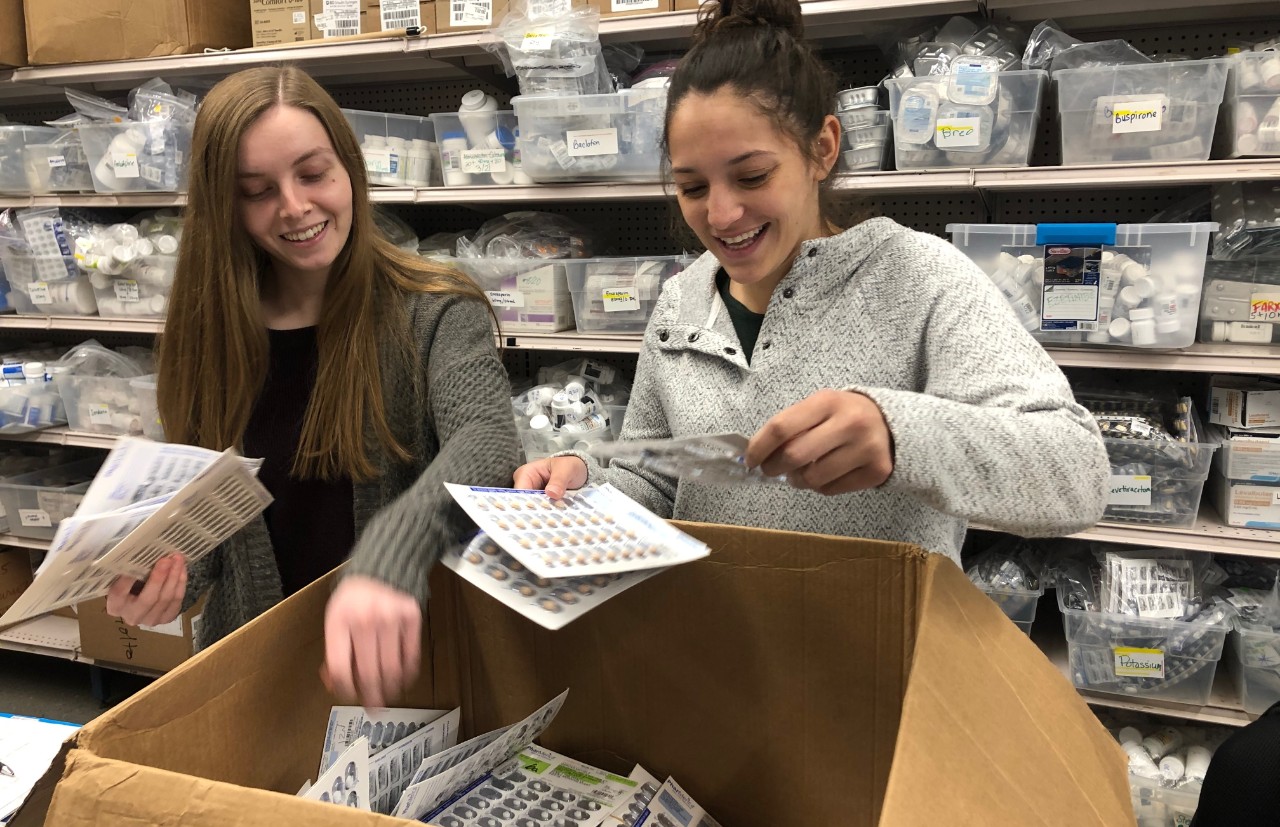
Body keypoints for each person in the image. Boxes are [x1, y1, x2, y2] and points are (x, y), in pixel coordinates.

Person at [515, 0, 1111, 555]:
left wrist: (901, 435)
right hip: (724, 641)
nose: (720, 216)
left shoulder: (921, 277)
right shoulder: (681, 300)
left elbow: (1077, 473)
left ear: (822, 148)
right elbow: (659, 476)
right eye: (692, 187)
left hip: (879, 642)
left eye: (751, 177)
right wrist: (586, 481)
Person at [103, 66, 521, 705]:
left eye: (313, 173)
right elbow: (211, 533)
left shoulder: (434, 308)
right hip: (257, 676)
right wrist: (163, 576)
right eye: (257, 190)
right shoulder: (208, 332)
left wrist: (392, 549)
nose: (295, 207)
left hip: (406, 678)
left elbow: (488, 441)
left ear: (348, 167)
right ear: (227, 206)